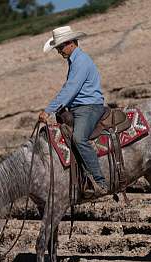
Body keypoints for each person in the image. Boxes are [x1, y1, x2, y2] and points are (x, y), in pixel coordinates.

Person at [39, 26, 107, 197]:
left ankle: (99, 182)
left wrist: (48, 111)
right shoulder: (76, 61)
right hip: (79, 107)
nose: (59, 52)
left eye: (60, 47)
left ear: (70, 43)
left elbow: (70, 90)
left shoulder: (81, 61)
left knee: (79, 138)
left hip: (89, 107)